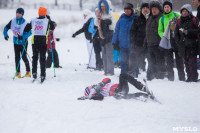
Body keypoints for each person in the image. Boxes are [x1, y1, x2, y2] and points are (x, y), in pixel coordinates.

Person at [24, 7, 55, 82]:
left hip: (34, 41)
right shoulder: (47, 21)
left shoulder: (34, 20)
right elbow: (53, 27)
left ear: (38, 13)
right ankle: (42, 75)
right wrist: (48, 19)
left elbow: (26, 29)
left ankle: (34, 73)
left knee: (35, 57)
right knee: (42, 58)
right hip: (43, 41)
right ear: (45, 13)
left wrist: (31, 24)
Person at [158, 1, 185, 81]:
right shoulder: (162, 18)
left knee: (179, 60)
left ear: (171, 8)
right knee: (169, 62)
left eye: (168, 7)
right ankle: (171, 78)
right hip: (167, 42)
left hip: (176, 41)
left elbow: (182, 25)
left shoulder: (177, 15)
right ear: (163, 8)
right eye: (165, 7)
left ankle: (182, 78)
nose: (166, 9)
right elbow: (160, 30)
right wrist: (164, 36)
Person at [3, 8, 32, 78]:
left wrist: (23, 37)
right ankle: (18, 73)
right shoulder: (12, 21)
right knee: (17, 58)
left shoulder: (25, 23)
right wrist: (5, 35)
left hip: (23, 42)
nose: (18, 14)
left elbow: (30, 32)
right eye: (17, 13)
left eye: (19, 13)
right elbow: (5, 28)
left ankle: (28, 72)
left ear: (22, 14)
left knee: (24, 57)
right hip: (15, 42)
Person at [79, 73, 151, 100]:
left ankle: (142, 88)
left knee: (124, 76)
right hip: (117, 92)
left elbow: (108, 79)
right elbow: (100, 97)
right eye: (90, 87)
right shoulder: (95, 91)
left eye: (90, 85)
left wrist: (101, 84)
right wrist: (90, 96)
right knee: (122, 76)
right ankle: (143, 95)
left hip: (121, 88)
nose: (92, 86)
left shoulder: (100, 85)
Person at [175, 4, 199, 82]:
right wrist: (178, 42)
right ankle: (189, 77)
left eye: (186, 11)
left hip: (192, 45)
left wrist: (188, 32)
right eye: (183, 11)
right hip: (183, 45)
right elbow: (176, 33)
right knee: (186, 63)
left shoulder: (194, 19)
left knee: (192, 62)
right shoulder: (179, 21)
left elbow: (198, 31)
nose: (184, 13)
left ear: (189, 11)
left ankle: (194, 77)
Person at [112, 3, 135, 74]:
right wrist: (114, 42)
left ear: (131, 10)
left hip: (132, 45)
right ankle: (123, 74)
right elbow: (116, 31)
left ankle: (133, 74)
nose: (127, 11)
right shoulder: (121, 19)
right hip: (122, 45)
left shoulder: (135, 19)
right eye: (125, 9)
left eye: (128, 9)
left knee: (132, 61)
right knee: (123, 61)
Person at [94, 0, 116, 76]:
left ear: (107, 6)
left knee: (109, 55)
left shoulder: (111, 14)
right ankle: (106, 71)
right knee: (104, 54)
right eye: (101, 6)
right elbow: (96, 24)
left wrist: (105, 24)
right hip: (102, 36)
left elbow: (113, 26)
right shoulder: (100, 14)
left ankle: (110, 71)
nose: (102, 8)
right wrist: (97, 17)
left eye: (104, 6)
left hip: (109, 36)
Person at [145, 1, 165, 81]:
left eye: (156, 8)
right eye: (152, 8)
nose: (154, 10)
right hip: (150, 44)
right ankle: (150, 76)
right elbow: (147, 31)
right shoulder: (149, 18)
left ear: (159, 9)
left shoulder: (161, 18)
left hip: (158, 44)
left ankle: (159, 76)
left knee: (159, 61)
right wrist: (145, 42)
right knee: (150, 61)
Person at [130, 2, 150, 75]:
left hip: (150, 43)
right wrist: (133, 42)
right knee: (137, 59)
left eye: (147, 8)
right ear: (141, 10)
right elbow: (132, 31)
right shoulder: (137, 19)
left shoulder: (151, 18)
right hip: (139, 43)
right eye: (143, 8)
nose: (145, 9)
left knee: (151, 60)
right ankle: (135, 73)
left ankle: (151, 76)